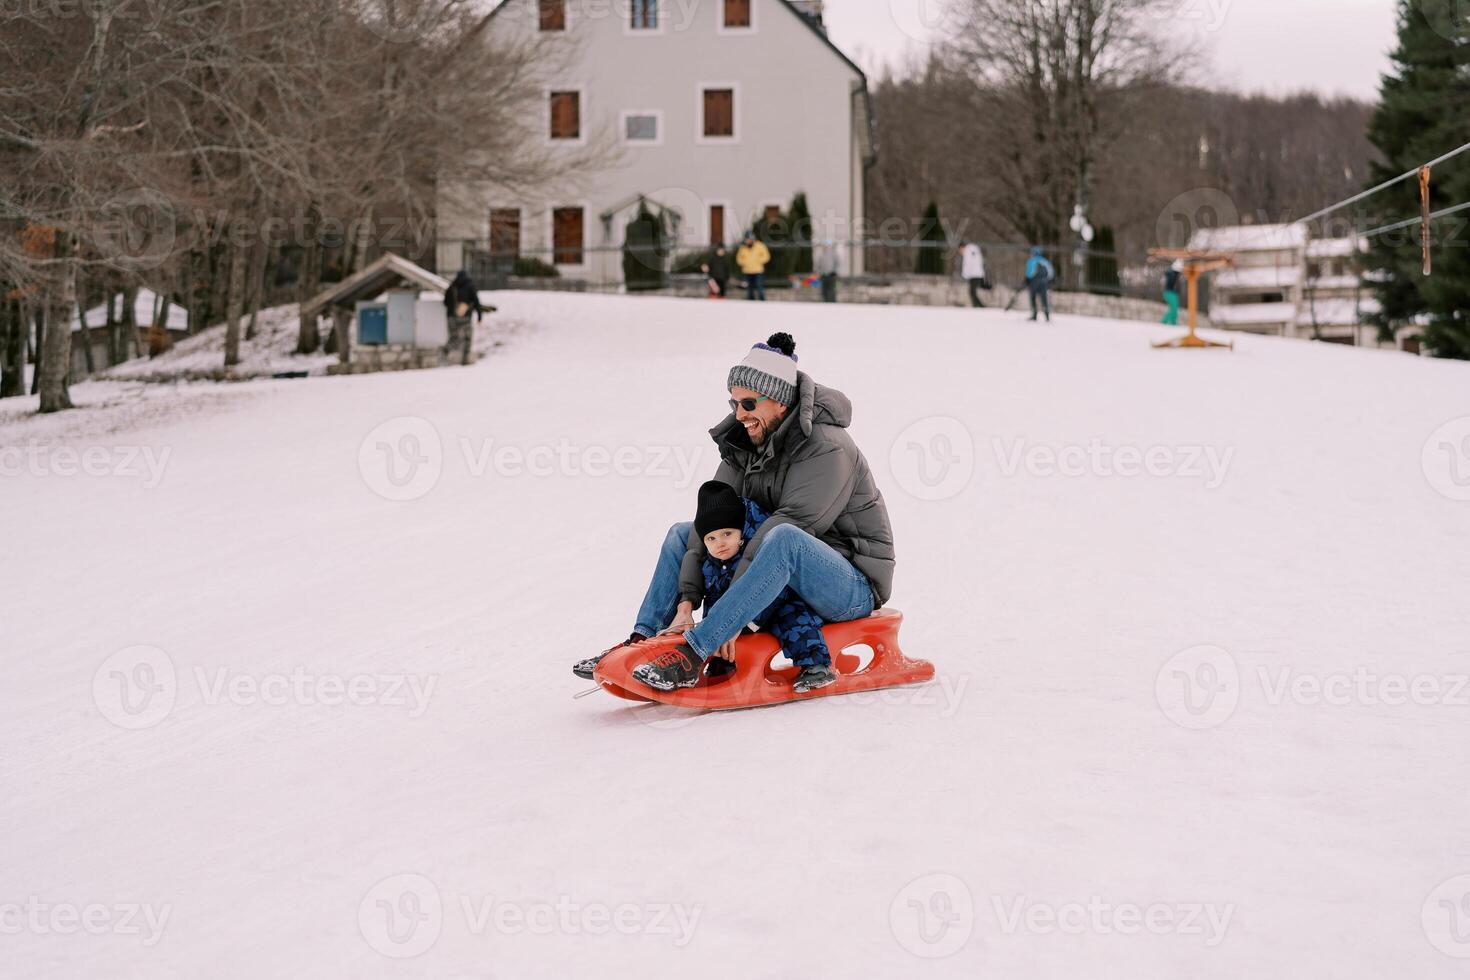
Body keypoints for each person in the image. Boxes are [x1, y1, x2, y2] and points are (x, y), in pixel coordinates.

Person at [571, 332, 895, 692]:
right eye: (734, 403)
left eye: (749, 403)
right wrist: (687, 602)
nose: (739, 414)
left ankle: (693, 654)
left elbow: (786, 532)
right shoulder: (745, 441)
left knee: (784, 537)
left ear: (780, 402)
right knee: (685, 533)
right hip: (781, 574)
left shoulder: (828, 448)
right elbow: (713, 518)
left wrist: (726, 619)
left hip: (849, 584)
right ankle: (642, 642)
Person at [629, 480, 837, 694]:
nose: (720, 543)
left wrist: (744, 624)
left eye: (727, 534)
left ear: (741, 533)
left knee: (795, 620)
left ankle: (816, 665)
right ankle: (722, 665)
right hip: (739, 618)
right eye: (711, 538)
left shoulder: (756, 551)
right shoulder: (711, 565)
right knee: (716, 618)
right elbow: (716, 605)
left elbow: (775, 590)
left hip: (776, 605)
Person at [442, 269, 488, 365]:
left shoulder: (452, 287)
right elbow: (476, 302)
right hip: (466, 317)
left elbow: (445, 302)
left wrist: (453, 309)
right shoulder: (470, 286)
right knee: (467, 338)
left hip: (452, 317)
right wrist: (479, 316)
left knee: (454, 337)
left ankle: (445, 353)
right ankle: (465, 358)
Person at [736, 233, 770, 301]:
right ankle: (751, 300)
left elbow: (766, 256)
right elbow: (739, 259)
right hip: (747, 270)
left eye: (749, 239)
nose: (747, 241)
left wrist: (758, 261)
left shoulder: (760, 246)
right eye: (746, 240)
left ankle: (762, 299)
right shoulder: (743, 248)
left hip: (758, 270)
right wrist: (745, 262)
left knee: (759, 285)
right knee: (749, 287)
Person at [1025, 246, 1054, 322]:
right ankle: (1047, 315)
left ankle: (1034, 315)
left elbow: (1029, 273)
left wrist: (1027, 280)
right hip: (1044, 283)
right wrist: (1048, 281)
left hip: (1034, 283)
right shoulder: (1045, 261)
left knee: (1033, 298)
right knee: (1044, 299)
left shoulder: (1031, 261)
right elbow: (1051, 273)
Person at [960, 241, 989, 308]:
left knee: (972, 291)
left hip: (974, 274)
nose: (960, 252)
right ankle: (976, 305)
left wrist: (964, 274)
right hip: (977, 273)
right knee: (972, 291)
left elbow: (967, 264)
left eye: (960, 249)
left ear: (962, 247)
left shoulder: (967, 252)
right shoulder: (973, 250)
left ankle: (979, 306)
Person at [815, 239, 841, 304]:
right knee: (824, 290)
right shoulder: (821, 255)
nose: (826, 247)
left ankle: (832, 302)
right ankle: (825, 302)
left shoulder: (834, 254)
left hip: (831, 275)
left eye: (827, 246)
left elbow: (837, 263)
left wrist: (834, 271)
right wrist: (819, 272)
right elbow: (818, 265)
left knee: (831, 289)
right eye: (825, 246)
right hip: (823, 275)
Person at [1162, 258, 1183, 326]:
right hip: (1170, 292)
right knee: (1173, 308)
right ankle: (1169, 322)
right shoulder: (1173, 275)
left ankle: (1168, 321)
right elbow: (1173, 284)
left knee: (1173, 308)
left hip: (1170, 293)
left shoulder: (1173, 274)